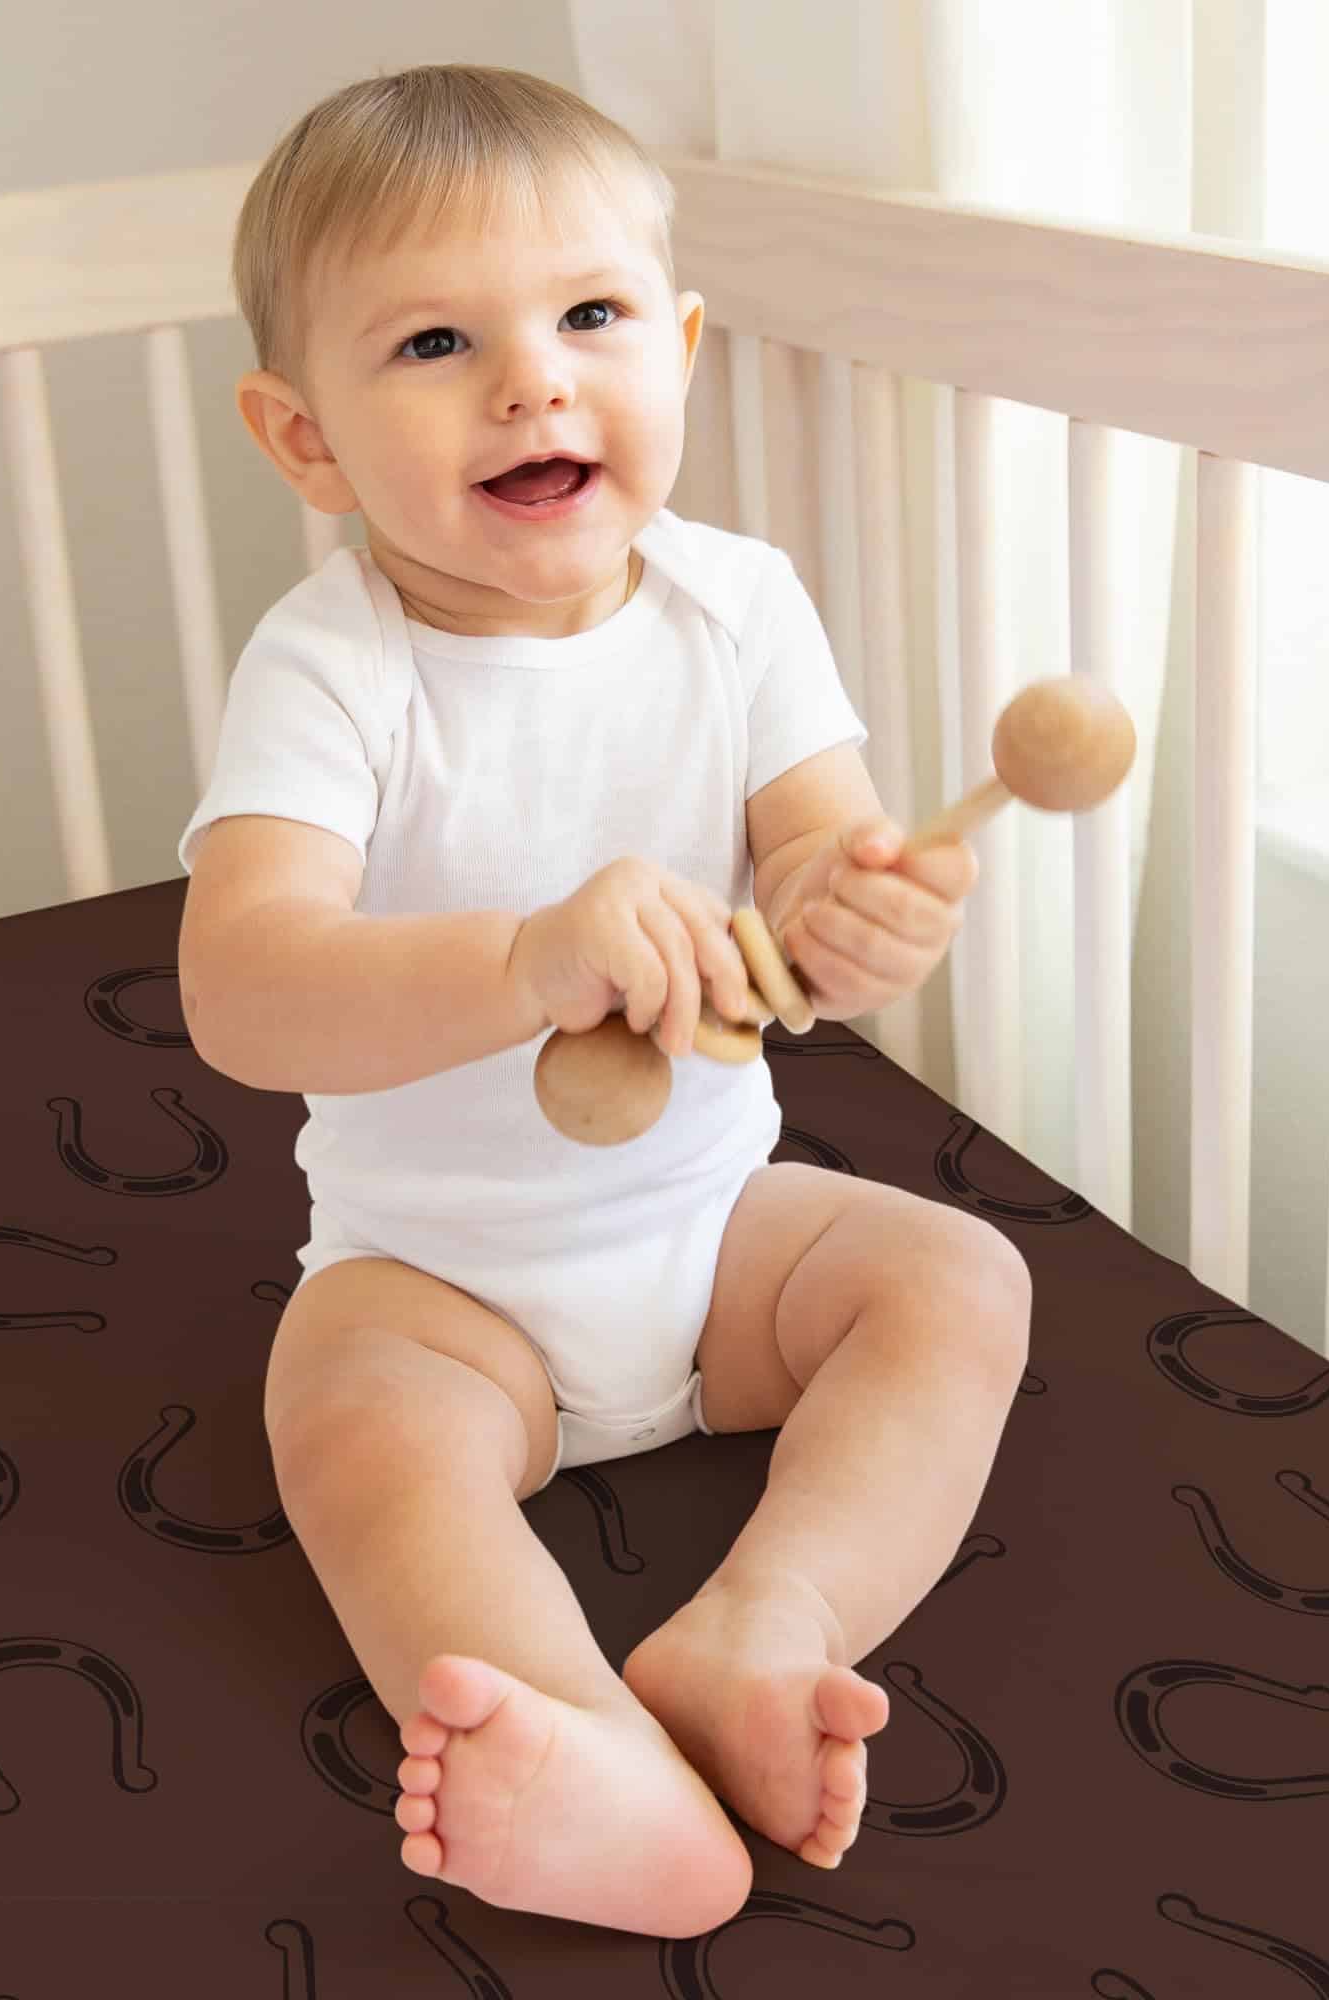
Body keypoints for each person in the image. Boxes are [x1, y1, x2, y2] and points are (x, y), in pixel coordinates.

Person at [175, 63, 1031, 1941]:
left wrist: (861, 923)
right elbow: (241, 989)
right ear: (305, 437)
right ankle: (582, 1751)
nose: (533, 383)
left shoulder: (741, 606)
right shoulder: (332, 666)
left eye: (589, 316)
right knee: (347, 1423)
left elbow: (813, 878)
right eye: (435, 342)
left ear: (683, 349)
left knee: (959, 1282)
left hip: (717, 1236)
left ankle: (765, 1625)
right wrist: (516, 959)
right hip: (441, 1279)